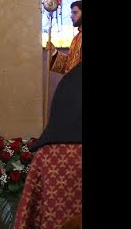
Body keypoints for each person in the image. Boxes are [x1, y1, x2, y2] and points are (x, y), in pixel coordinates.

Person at [13, 62, 82, 229]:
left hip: (55, 154)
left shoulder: (72, 76)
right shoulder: (76, 42)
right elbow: (66, 64)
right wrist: (52, 56)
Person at [46, 0, 81, 74]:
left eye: (75, 12)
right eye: (72, 13)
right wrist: (54, 52)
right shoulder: (77, 38)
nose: (71, 16)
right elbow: (70, 65)